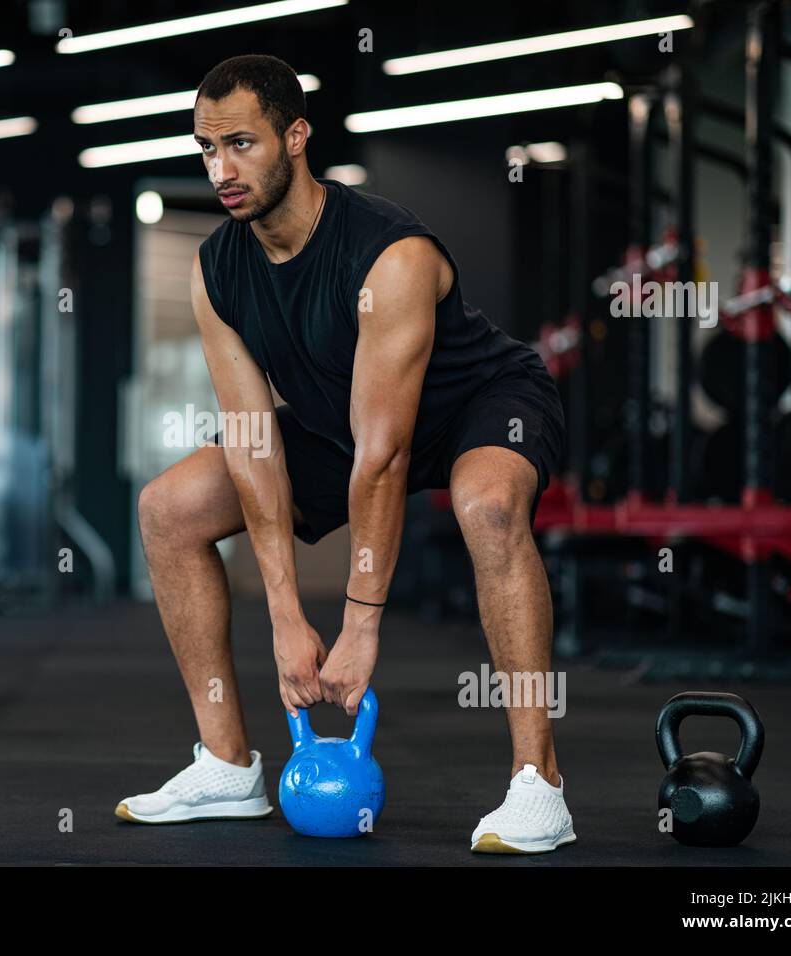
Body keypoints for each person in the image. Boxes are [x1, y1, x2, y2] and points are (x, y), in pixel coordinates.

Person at [116, 54, 575, 853]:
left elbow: (386, 457)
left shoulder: (388, 255)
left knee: (489, 506)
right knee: (169, 507)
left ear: (296, 137)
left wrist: (360, 625)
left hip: (480, 405)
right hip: (342, 425)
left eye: (241, 145)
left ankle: (540, 785)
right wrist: (285, 617)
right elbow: (253, 442)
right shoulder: (217, 267)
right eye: (205, 148)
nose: (221, 170)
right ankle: (228, 766)